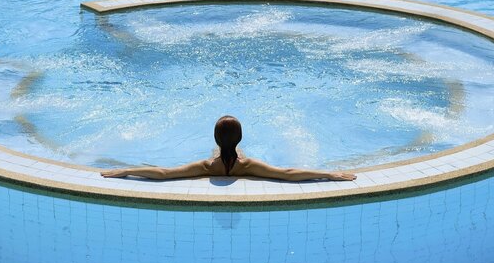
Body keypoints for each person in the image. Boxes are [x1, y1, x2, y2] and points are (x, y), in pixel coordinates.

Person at [101, 115, 357, 181]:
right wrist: (328, 174)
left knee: (218, 155)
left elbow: (165, 174)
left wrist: (127, 171)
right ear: (240, 139)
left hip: (220, 159)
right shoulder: (248, 164)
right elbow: (288, 174)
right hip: (234, 158)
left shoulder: (206, 166)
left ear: (215, 139)